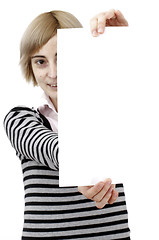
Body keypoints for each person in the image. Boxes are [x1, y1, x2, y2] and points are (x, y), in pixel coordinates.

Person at [3, 9, 130, 240]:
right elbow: (52, 149)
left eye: (62, 58)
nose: (53, 73)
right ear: (30, 67)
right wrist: (81, 169)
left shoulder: (114, 112)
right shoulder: (20, 119)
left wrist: (117, 51)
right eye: (41, 61)